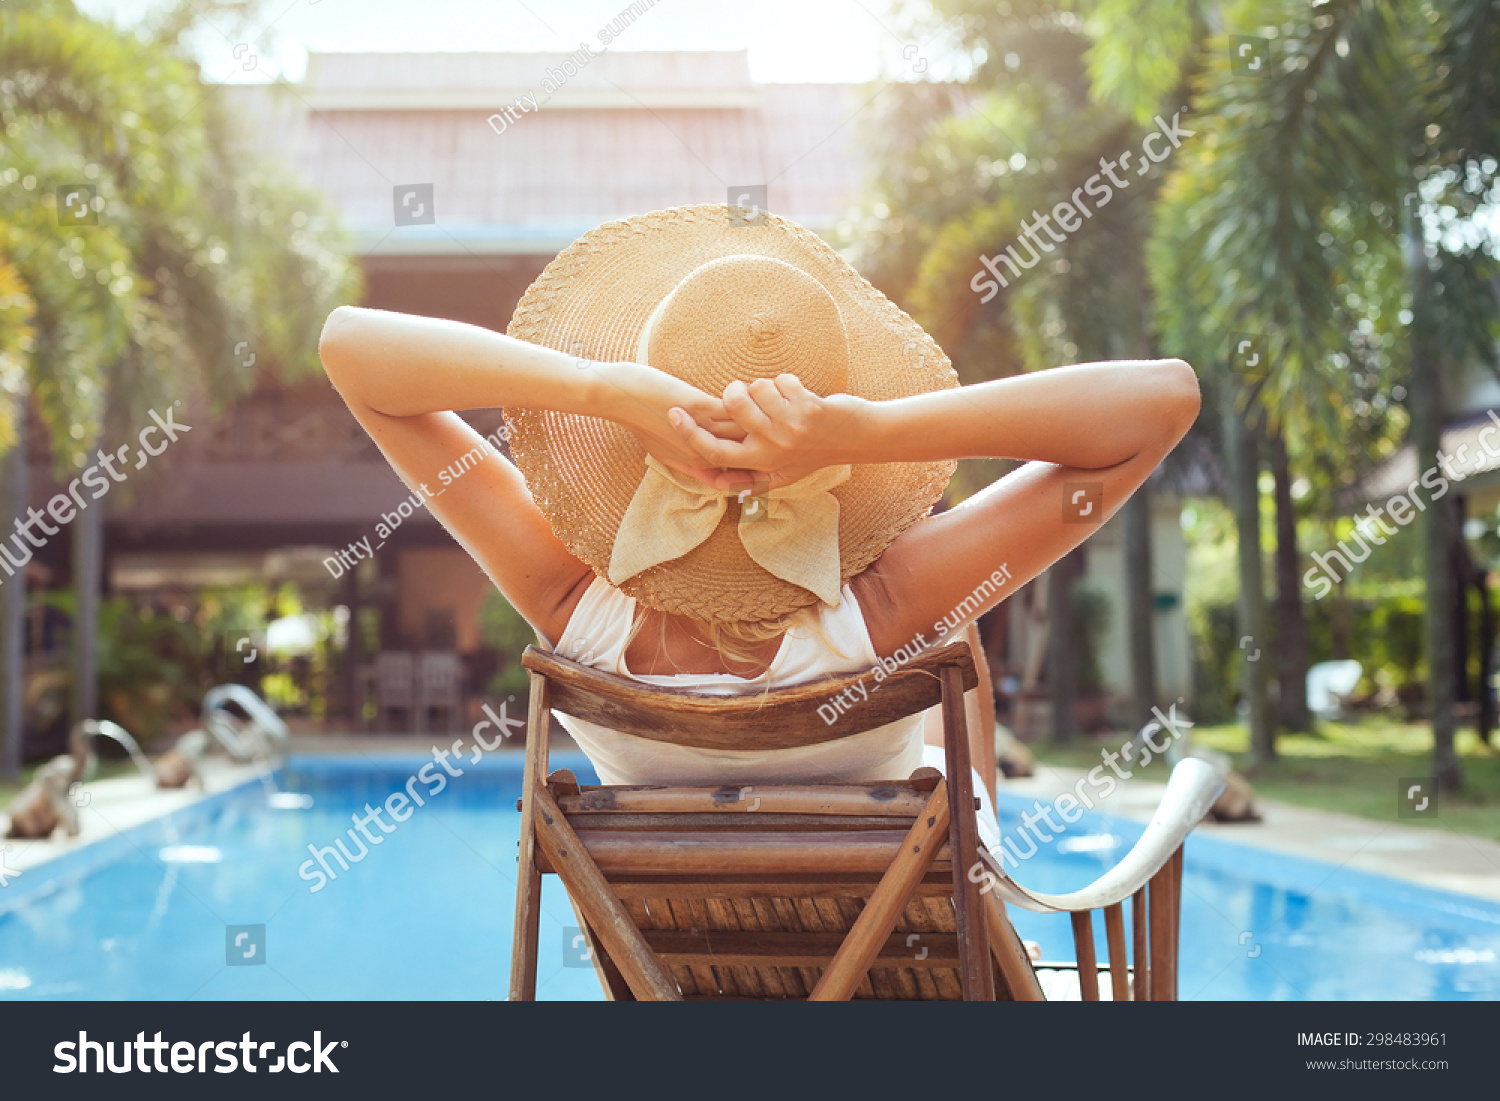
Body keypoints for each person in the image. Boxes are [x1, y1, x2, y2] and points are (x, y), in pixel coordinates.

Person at [318, 204, 1198, 843]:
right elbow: (1162, 401)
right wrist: (869, 429)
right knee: (953, 664)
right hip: (901, 946)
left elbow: (350, 348)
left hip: (669, 960)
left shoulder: (572, 602)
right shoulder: (886, 608)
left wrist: (605, 389)